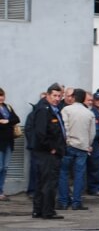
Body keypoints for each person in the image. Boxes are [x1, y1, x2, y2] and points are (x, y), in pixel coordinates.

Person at [31, 84, 67, 219]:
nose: (57, 99)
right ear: (48, 95)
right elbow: (41, 133)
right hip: (47, 153)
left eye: (59, 96)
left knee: (44, 182)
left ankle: (39, 210)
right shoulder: (44, 110)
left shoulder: (53, 109)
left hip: (50, 152)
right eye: (54, 96)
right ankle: (47, 211)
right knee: (48, 183)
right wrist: (51, 148)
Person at [58, 88, 94, 211]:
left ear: (73, 97)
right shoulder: (89, 113)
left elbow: (64, 127)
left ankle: (63, 201)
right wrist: (88, 144)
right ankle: (76, 202)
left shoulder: (66, 110)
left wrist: (67, 140)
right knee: (79, 175)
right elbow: (92, 132)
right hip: (82, 147)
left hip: (69, 145)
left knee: (64, 173)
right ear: (84, 98)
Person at [0, 87, 22, 202]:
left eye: (2, 95)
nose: (1, 98)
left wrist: (7, 121)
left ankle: (1, 191)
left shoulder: (7, 107)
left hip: (8, 141)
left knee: (5, 167)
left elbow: (16, 119)